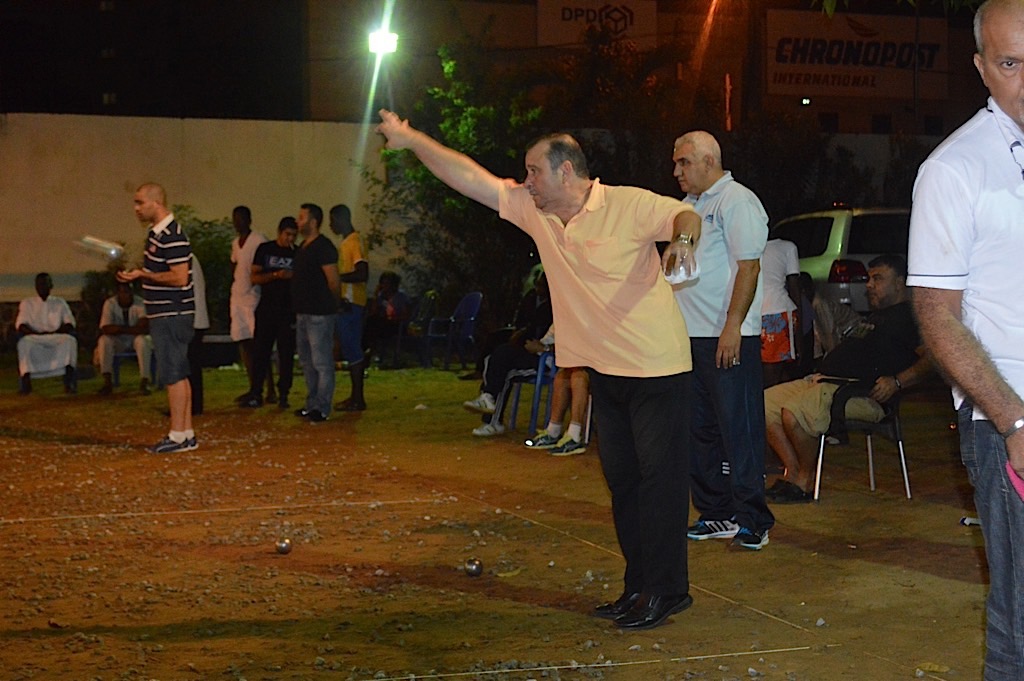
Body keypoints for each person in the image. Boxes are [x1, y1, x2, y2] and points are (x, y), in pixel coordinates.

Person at [376, 109, 701, 631]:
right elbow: (472, 180)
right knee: (623, 484)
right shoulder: (537, 211)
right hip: (604, 369)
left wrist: (682, 244)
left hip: (657, 367)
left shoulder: (626, 204)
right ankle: (639, 585)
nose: (526, 181)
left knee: (658, 483)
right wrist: (411, 139)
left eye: (533, 171)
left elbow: (685, 217)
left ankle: (667, 591)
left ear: (565, 171)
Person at [907, 2, 1024, 676]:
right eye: (1010, 64)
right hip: (1009, 423)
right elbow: (937, 317)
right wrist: (1012, 421)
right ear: (981, 68)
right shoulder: (955, 168)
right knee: (1020, 625)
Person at [671, 131, 774, 551]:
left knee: (739, 429)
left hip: (728, 336)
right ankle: (716, 512)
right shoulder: (689, 207)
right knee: (700, 430)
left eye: (683, 162)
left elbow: (748, 267)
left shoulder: (737, 200)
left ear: (708, 161)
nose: (676, 171)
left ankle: (753, 519)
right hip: (690, 337)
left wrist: (733, 326)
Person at [764, 255, 930, 503]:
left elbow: (933, 360)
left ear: (899, 283)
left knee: (793, 413)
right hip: (826, 382)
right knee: (764, 404)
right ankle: (793, 472)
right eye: (869, 279)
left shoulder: (911, 318)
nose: (869, 285)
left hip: (859, 393)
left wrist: (897, 382)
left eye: (878, 279)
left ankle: (805, 481)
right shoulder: (877, 316)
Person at [117, 183, 196, 453]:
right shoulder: (157, 234)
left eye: (140, 202)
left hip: (172, 313)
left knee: (173, 374)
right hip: (168, 312)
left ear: (156, 203)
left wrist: (144, 275)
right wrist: (140, 274)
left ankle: (177, 436)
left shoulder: (171, 235)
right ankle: (186, 433)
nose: (136, 208)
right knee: (179, 372)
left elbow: (180, 277)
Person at [463, 273, 553, 437]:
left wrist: (544, 348)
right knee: (494, 355)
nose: (537, 288)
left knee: (505, 369)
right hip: (533, 347)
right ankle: (488, 397)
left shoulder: (555, 307)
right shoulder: (531, 298)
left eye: (541, 285)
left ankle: (492, 419)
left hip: (546, 359)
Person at [242, 216, 298, 409]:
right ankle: (256, 392)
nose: (290, 239)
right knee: (261, 352)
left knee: (286, 354)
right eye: (287, 234)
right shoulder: (266, 249)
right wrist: (275, 275)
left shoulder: (297, 253)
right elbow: (254, 277)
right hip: (267, 307)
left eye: (294, 235)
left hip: (287, 310)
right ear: (279, 232)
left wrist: (293, 277)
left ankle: (284, 393)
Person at [291, 203, 340, 423]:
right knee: (307, 362)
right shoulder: (303, 247)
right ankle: (312, 404)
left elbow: (333, 280)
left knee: (321, 362)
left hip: (319, 314)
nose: (297, 221)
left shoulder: (323, 247)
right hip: (303, 313)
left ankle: (322, 407)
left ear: (313, 221)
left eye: (302, 217)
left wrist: (334, 305)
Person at [523, 327, 591, 457]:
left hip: (601, 366)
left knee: (579, 377)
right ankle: (553, 431)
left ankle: (574, 436)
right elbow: (546, 343)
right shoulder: (563, 319)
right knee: (562, 377)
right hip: (578, 363)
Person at [328, 204, 370, 411]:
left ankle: (358, 398)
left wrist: (337, 279)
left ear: (341, 219)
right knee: (349, 348)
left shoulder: (354, 242)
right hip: (346, 303)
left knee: (352, 349)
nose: (331, 225)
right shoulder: (346, 242)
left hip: (351, 303)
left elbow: (362, 273)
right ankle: (355, 397)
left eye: (332, 221)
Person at [229, 205, 270, 403]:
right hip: (238, 297)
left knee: (259, 345)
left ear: (249, 219)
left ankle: (269, 388)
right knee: (243, 342)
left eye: (241, 218)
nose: (238, 223)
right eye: (235, 219)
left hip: (254, 297)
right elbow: (234, 265)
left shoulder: (259, 240)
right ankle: (253, 386)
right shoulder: (235, 243)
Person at [16, 272, 78, 395]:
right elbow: (21, 325)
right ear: (36, 287)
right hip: (35, 337)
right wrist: (34, 333)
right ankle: (26, 384)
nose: (42, 287)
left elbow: (69, 323)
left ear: (51, 286)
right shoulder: (27, 303)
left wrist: (55, 332)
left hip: (56, 336)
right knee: (24, 343)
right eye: (39, 285)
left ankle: (69, 382)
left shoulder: (60, 302)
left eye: (45, 284)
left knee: (70, 341)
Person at [95, 281, 152, 395]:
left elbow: (144, 327)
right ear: (118, 293)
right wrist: (131, 329)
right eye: (123, 292)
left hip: (135, 338)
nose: (126, 295)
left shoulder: (140, 302)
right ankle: (107, 382)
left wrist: (119, 329)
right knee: (104, 341)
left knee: (143, 341)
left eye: (128, 291)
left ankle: (144, 381)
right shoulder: (110, 303)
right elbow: (106, 329)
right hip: (119, 340)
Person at [760, 238, 801, 388]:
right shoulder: (787, 247)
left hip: (755, 313)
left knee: (770, 371)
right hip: (778, 311)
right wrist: (800, 338)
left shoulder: (745, 245)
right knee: (775, 372)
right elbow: (794, 288)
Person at [362, 270, 412, 366]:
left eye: (387, 283)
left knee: (374, 324)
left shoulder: (401, 296)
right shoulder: (381, 296)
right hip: (383, 324)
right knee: (371, 322)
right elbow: (373, 312)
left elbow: (407, 314)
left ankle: (370, 351)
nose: (385, 286)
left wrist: (394, 318)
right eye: (383, 283)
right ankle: (366, 351)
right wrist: (376, 295)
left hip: (397, 325)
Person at [188, 254, 209, 416]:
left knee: (189, 366)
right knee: (192, 365)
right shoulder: (191, 258)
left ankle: (192, 405)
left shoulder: (185, 258)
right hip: (197, 319)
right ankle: (195, 405)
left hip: (191, 320)